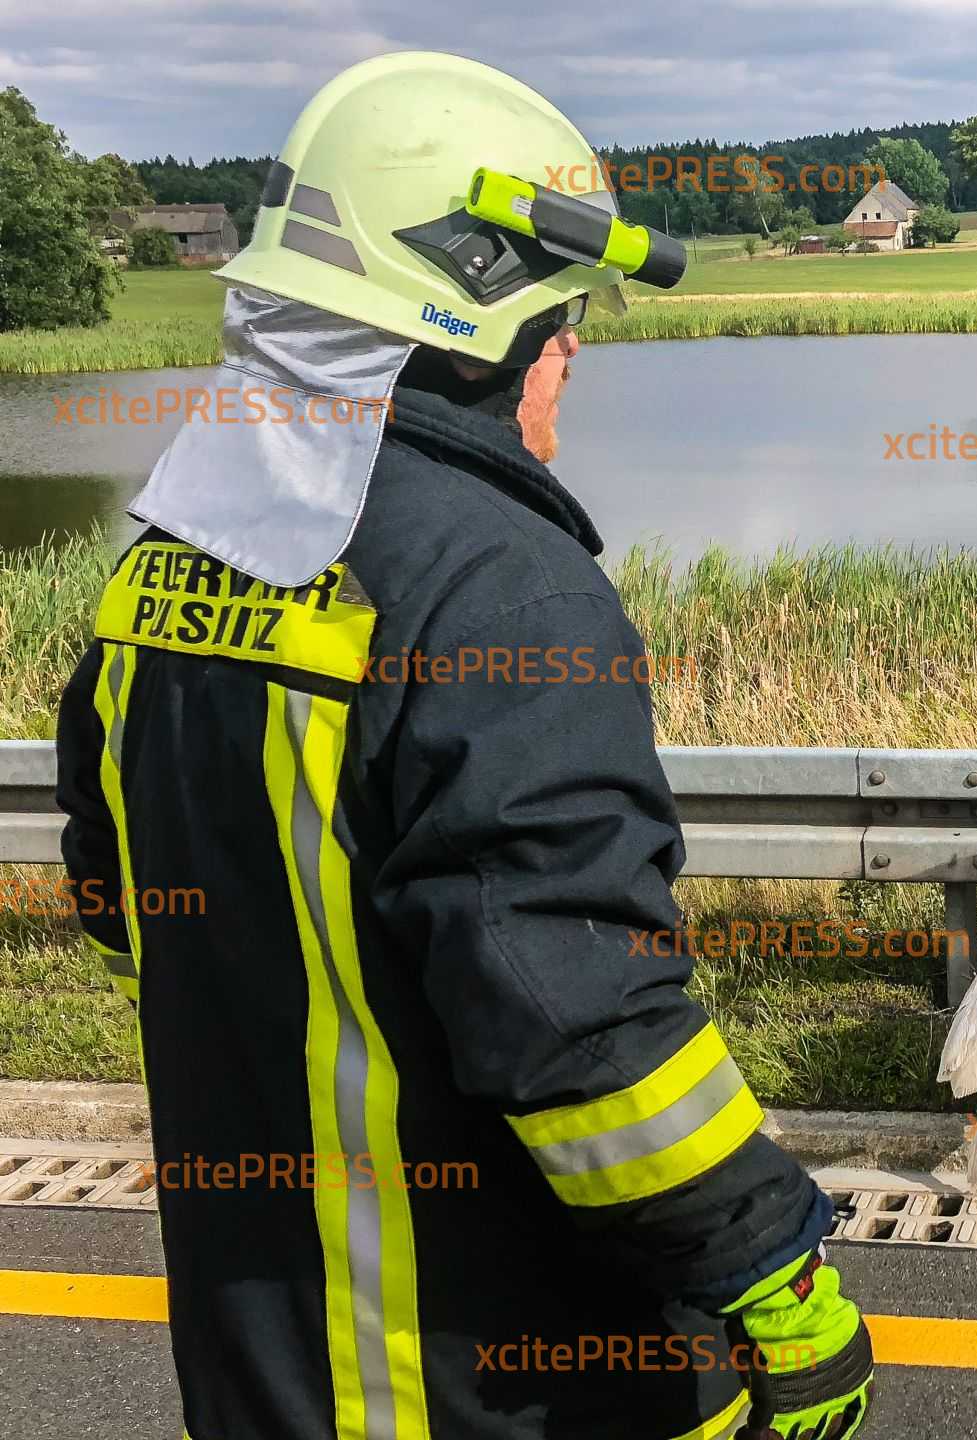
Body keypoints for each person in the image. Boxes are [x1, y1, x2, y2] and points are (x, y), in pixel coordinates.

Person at [54, 51, 872, 1440]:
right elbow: (579, 1022)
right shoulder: (503, 589)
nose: (575, 349)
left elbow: (125, 910)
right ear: (472, 318)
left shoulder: (168, 567)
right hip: (494, 1386)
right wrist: (766, 1264)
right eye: (560, 316)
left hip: (261, 1376)